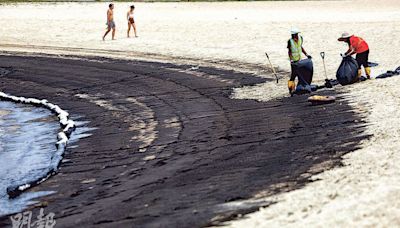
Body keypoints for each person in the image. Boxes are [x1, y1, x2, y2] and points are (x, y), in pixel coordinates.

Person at [287, 27, 311, 93]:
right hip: (293, 61)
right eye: (295, 34)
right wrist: (291, 60)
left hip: (299, 60)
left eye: (297, 34)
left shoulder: (300, 38)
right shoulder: (290, 41)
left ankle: (301, 87)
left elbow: (301, 47)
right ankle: (291, 89)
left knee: (301, 74)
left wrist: (306, 54)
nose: (296, 35)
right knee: (293, 75)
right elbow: (289, 51)